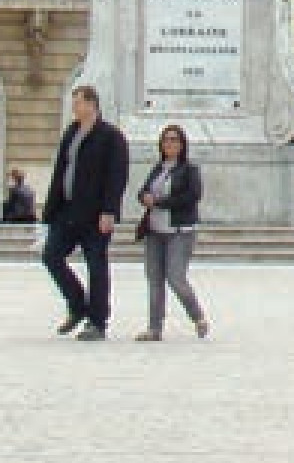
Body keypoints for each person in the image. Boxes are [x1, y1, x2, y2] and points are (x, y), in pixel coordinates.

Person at [42, 85, 129, 341]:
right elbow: (60, 173)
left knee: (96, 266)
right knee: (51, 256)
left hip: (95, 214)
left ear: (92, 104)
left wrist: (110, 210)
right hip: (67, 211)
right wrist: (50, 210)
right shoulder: (71, 133)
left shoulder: (111, 136)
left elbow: (117, 176)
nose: (74, 108)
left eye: (78, 102)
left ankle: (97, 321)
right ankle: (78, 305)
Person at [134, 124, 209, 342]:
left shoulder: (189, 169)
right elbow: (144, 189)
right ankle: (154, 327)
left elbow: (192, 196)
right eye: (166, 139)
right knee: (154, 279)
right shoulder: (159, 168)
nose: (170, 143)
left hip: (180, 230)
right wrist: (144, 197)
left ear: (183, 144)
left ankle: (198, 316)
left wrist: (160, 202)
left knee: (176, 277)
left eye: (174, 139)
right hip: (155, 230)